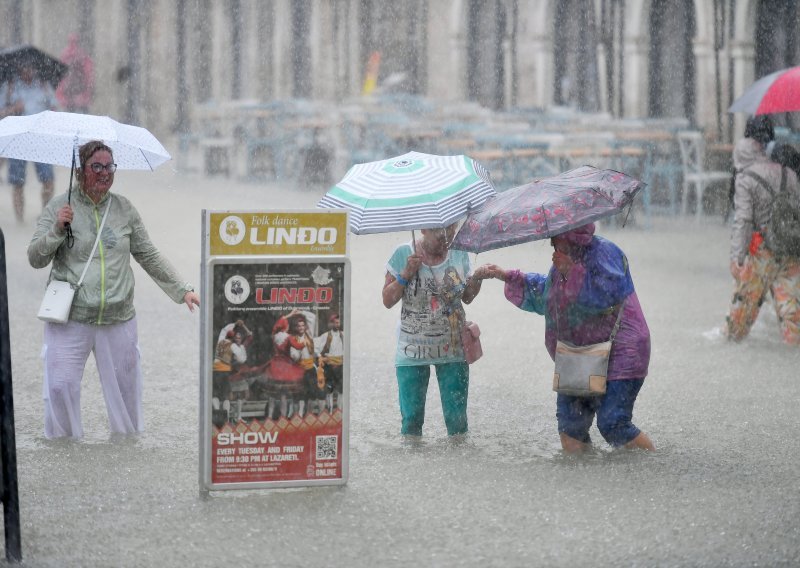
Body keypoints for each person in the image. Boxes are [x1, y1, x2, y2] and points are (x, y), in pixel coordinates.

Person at [27, 140, 200, 439]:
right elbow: (35, 258)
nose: (105, 173)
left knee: (126, 396)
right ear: (81, 170)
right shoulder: (59, 206)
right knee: (59, 387)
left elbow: (149, 254)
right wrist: (57, 229)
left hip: (118, 317)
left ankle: (126, 452)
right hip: (71, 316)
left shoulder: (124, 209)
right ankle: (66, 451)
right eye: (97, 166)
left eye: (110, 167)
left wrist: (182, 289)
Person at [475, 223, 655, 453]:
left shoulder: (605, 252)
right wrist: (506, 275)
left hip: (621, 350)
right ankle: (584, 485)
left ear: (571, 234)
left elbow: (606, 297)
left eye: (555, 236)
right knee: (571, 427)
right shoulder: (563, 260)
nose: (550, 242)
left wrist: (573, 272)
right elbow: (549, 295)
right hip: (579, 353)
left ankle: (649, 469)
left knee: (613, 423)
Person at [382, 223, 483, 437]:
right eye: (440, 236)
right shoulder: (403, 253)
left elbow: (467, 297)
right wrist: (406, 273)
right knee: (411, 423)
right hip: (411, 350)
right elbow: (387, 300)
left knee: (458, 425)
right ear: (424, 230)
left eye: (450, 234)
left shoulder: (458, 253)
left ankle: (457, 468)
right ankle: (413, 467)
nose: (446, 241)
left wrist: (478, 278)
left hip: (453, 349)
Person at [726, 116, 800, 344]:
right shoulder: (788, 172)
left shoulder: (745, 177)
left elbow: (744, 219)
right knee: (792, 314)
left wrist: (737, 256)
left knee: (739, 322)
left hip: (760, 253)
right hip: (790, 249)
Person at [3, 62, 58, 222]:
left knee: (48, 180)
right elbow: (2, 112)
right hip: (18, 139)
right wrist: (13, 108)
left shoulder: (43, 86)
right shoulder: (10, 87)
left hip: (41, 138)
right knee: (17, 182)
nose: (28, 70)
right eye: (25, 66)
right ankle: (19, 220)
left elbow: (55, 109)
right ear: (19, 67)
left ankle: (44, 215)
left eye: (31, 67)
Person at [55, 33, 95, 113]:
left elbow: (60, 77)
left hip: (68, 95)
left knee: (69, 119)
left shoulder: (64, 55)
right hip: (80, 94)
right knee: (84, 119)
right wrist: (87, 91)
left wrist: (61, 94)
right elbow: (88, 73)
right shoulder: (82, 54)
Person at [314, 312, 344, 413]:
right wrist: (320, 357)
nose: (337, 324)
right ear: (331, 324)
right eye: (335, 323)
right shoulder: (325, 336)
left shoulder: (343, 335)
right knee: (329, 391)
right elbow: (315, 347)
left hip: (341, 366)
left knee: (341, 391)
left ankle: (339, 411)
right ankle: (330, 412)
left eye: (338, 322)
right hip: (329, 366)